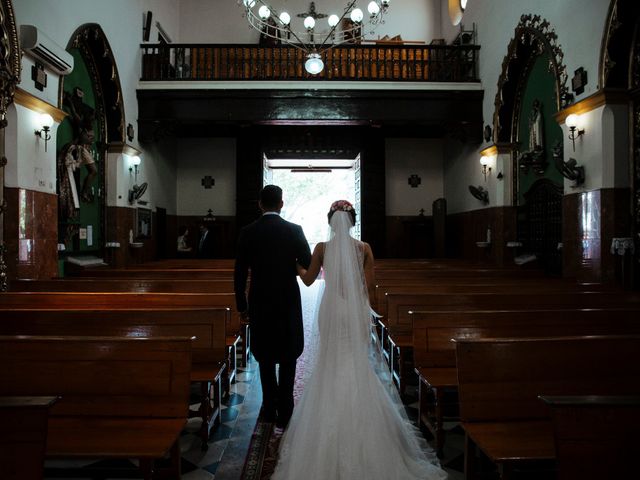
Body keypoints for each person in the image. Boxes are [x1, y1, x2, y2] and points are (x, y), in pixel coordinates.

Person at [271, 200, 447, 480]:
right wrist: (366, 317)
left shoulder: (322, 248)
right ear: (352, 222)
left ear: (331, 222)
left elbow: (307, 280)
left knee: (330, 360)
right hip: (352, 310)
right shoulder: (363, 249)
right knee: (355, 361)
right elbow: (368, 288)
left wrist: (296, 266)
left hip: (331, 311)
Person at [234, 185, 312, 430]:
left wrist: (241, 304)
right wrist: (290, 265)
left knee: (265, 355)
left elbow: (239, 272)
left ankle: (269, 408)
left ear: (260, 204)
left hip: (260, 300)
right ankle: (286, 410)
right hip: (287, 299)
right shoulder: (294, 230)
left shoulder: (248, 232)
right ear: (281, 204)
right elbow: (307, 262)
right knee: (289, 355)